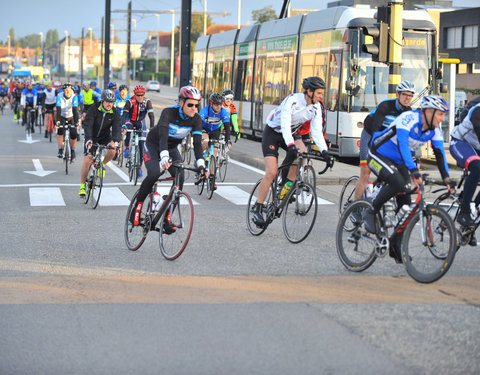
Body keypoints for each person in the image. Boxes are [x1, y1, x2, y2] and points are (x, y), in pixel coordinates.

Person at [363, 95, 455, 260]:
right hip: (378, 153)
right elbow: (403, 144)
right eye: (440, 114)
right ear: (428, 111)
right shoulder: (408, 119)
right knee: (398, 182)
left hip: (399, 160)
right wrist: (413, 170)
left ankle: (395, 245)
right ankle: (371, 210)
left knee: (406, 206)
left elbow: (440, 154)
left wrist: (447, 179)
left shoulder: (435, 130)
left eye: (443, 115)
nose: (442, 118)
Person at [252, 76, 333, 228]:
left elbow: (316, 132)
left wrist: (325, 152)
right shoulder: (292, 100)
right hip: (274, 132)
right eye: (319, 93)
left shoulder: (316, 107)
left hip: (292, 132)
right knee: (271, 172)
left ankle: (286, 187)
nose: (322, 97)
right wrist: (290, 145)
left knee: (302, 154)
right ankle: (257, 207)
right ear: (309, 91)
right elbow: (284, 124)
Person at [129, 85, 206, 232]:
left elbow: (197, 144)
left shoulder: (196, 119)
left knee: (180, 176)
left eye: (197, 105)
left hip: (171, 149)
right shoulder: (168, 113)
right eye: (190, 104)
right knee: (153, 174)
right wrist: (164, 157)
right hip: (153, 145)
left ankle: (166, 218)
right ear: (181, 102)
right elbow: (163, 136)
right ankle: (136, 209)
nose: (194, 108)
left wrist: (201, 166)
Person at [353, 80, 415, 207]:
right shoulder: (386, 106)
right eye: (404, 95)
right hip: (371, 134)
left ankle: (377, 188)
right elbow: (376, 130)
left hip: (386, 140)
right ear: (397, 95)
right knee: (366, 171)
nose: (407, 98)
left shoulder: (408, 113)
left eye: (410, 95)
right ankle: (354, 207)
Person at [78, 89, 121, 197]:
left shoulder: (114, 112)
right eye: (107, 102)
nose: (109, 104)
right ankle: (82, 186)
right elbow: (88, 124)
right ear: (102, 101)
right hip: (91, 136)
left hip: (105, 136)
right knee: (88, 158)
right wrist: (88, 139)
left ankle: (102, 166)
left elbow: (117, 128)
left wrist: (116, 141)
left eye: (111, 102)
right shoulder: (94, 109)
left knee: (112, 149)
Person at [450, 99, 480, 229]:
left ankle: (474, 213)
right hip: (460, 142)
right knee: (478, 168)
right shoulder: (477, 110)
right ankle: (464, 210)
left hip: (475, 147)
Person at [121, 85, 155, 178]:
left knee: (141, 145)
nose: (140, 97)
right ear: (134, 95)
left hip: (140, 122)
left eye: (142, 95)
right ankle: (127, 147)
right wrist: (123, 125)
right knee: (127, 129)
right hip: (130, 120)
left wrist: (152, 128)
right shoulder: (129, 101)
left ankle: (139, 167)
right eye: (138, 95)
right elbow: (124, 115)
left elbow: (151, 116)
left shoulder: (147, 102)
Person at [199, 92, 232, 183]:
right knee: (205, 141)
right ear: (211, 104)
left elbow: (227, 125)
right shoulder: (205, 111)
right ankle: (199, 158)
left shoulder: (222, 111)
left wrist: (228, 139)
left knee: (215, 152)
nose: (218, 106)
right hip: (204, 128)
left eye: (220, 104)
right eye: (216, 104)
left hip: (215, 131)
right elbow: (198, 123)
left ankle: (212, 176)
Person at [55, 83, 79, 160]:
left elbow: (75, 111)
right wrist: (58, 122)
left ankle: (72, 150)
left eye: (69, 90)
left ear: (72, 90)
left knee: (74, 134)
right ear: (63, 91)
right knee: (60, 131)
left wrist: (76, 122)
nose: (68, 92)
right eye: (66, 90)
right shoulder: (59, 96)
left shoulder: (74, 97)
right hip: (62, 116)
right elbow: (58, 109)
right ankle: (60, 149)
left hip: (71, 116)